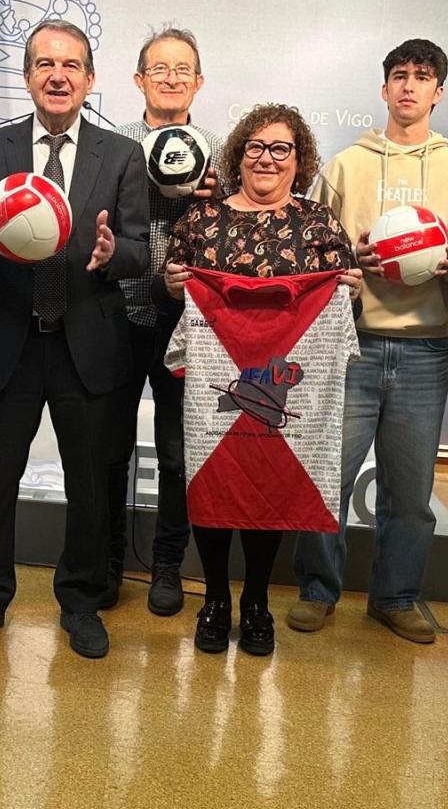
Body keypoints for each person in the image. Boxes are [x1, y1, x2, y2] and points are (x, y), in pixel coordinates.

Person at [0, 19, 149, 659]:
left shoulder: (121, 156)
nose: (58, 75)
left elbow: (140, 251)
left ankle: (81, 603)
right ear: (28, 77)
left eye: (71, 65)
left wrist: (115, 254)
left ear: (89, 78)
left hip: (88, 345)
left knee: (89, 485)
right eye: (44, 64)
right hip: (11, 343)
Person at [289, 38, 448, 642]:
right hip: (353, 342)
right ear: (384, 88)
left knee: (411, 488)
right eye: (399, 75)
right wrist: (353, 257)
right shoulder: (347, 165)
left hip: (425, 347)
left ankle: (395, 597)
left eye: (422, 77)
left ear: (437, 92)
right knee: (329, 476)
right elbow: (313, 257)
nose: (409, 86)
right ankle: (319, 590)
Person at [164, 103, 361, 656]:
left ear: (300, 160)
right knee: (211, 483)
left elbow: (346, 303)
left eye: (281, 149)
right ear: (237, 155)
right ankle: (215, 600)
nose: (267, 158)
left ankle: (255, 601)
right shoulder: (201, 220)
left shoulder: (318, 224)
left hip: (280, 389)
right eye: (255, 147)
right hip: (212, 386)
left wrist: (349, 288)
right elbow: (172, 288)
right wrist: (177, 283)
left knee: (267, 485)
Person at [104, 27, 224, 616]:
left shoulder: (225, 153)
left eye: (183, 70)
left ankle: (168, 566)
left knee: (178, 453)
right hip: (118, 314)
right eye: (159, 68)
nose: (172, 78)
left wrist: (217, 197)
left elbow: (249, 226)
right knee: (108, 446)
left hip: (193, 327)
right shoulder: (113, 145)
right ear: (139, 80)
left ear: (199, 82)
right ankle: (104, 562)